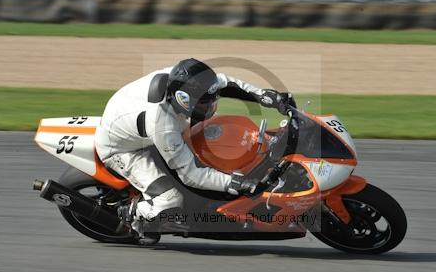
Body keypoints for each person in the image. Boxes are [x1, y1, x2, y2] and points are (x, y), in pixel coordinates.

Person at [95, 58, 290, 234]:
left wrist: (265, 96)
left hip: (131, 118)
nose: (211, 107)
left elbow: (225, 82)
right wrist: (237, 184)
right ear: (183, 99)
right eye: (204, 103)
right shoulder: (162, 125)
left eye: (211, 100)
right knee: (169, 201)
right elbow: (190, 175)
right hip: (122, 148)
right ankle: (132, 213)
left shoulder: (186, 80)